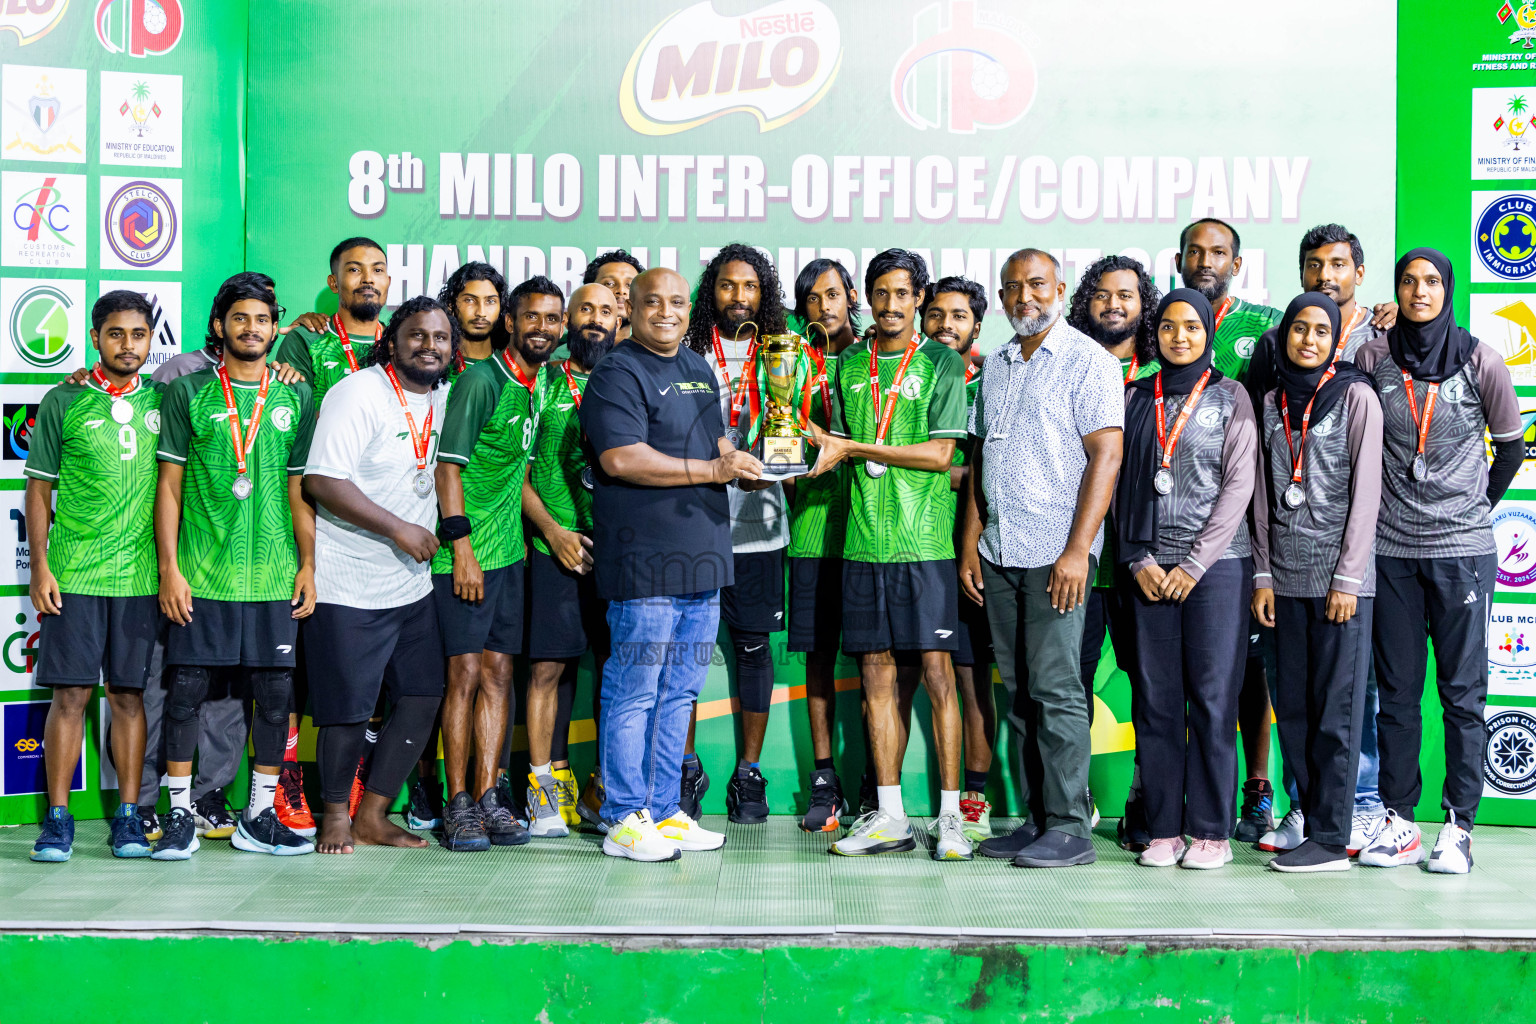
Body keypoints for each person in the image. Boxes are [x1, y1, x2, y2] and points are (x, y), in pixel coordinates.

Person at [128, 275, 319, 845]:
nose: (252, 329)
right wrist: (171, 569)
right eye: (240, 319)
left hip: (273, 575)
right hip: (204, 573)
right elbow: (168, 486)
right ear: (219, 326)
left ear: (275, 326)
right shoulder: (188, 393)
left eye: (262, 320)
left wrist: (307, 564)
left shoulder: (296, 395)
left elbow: (298, 489)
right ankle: (180, 815)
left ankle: (258, 819)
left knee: (274, 699)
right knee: (185, 691)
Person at [581, 267, 760, 861]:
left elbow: (715, 446)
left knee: (680, 691)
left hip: (703, 557)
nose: (666, 312)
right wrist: (713, 472)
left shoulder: (696, 367)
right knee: (634, 690)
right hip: (644, 561)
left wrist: (755, 460)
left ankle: (663, 811)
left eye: (677, 302)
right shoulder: (616, 370)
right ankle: (623, 816)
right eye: (653, 301)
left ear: (690, 309)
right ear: (630, 306)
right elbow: (621, 458)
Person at [1355, 249, 1523, 875]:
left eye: (1430, 282)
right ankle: (1399, 821)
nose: (1419, 292)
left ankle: (1458, 826)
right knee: (1396, 695)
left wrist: (1473, 505)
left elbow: (1509, 448)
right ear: (1396, 289)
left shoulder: (1482, 360)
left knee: (1462, 694)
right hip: (1392, 551)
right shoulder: (1374, 356)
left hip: (1461, 553)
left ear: (1447, 289)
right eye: (1408, 281)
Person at [957, 249, 1123, 869]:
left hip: (1058, 553)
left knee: (1055, 689)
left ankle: (1071, 827)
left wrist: (1079, 550)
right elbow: (983, 458)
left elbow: (1106, 455)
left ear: (1059, 288)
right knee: (1020, 691)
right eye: (1012, 288)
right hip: (1001, 550)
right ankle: (1036, 818)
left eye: (1036, 285)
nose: (1025, 297)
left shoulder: (1090, 362)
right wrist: (972, 541)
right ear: (1001, 298)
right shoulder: (996, 365)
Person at [807, 248, 969, 860]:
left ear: (919, 299)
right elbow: (839, 442)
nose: (892, 305)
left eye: (904, 294)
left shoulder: (942, 363)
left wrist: (853, 448)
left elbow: (939, 456)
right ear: (866, 299)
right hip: (861, 544)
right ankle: (890, 814)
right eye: (881, 293)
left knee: (936, 678)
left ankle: (952, 816)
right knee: (874, 674)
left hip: (924, 544)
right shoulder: (849, 361)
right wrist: (829, 445)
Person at [1245, 224, 1395, 855]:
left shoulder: (1363, 380)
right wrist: (1261, 574)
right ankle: (1308, 811)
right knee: (1297, 706)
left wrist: (1349, 577)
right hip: (1286, 576)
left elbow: (1367, 493)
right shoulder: (1272, 396)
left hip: (1341, 577)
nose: (1325, 274)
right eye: (1314, 265)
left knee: (1347, 705)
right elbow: (1257, 487)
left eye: (1338, 264)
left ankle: (1351, 814)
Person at [303, 294, 455, 855]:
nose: (430, 347)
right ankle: (335, 816)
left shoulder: (444, 398)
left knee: (420, 696)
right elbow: (322, 481)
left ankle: (374, 814)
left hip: (410, 586)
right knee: (346, 710)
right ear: (392, 340)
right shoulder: (358, 393)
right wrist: (398, 529)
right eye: (417, 335)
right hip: (349, 583)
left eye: (440, 337)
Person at [1116, 288, 1257, 870]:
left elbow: (1240, 486)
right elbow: (1114, 478)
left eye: (1192, 328)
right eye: (1170, 327)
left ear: (1207, 334)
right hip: (1147, 568)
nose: (1180, 338)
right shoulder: (1132, 396)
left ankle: (1210, 831)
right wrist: (1137, 558)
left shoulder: (1232, 397)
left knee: (1213, 698)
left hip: (1217, 570)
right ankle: (1163, 829)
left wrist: (1196, 563)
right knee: (1155, 700)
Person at [26, 291, 161, 862]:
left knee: (130, 698)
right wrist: (39, 567)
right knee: (71, 696)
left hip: (141, 578)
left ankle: (128, 819)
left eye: (137, 334)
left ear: (152, 339)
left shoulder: (168, 399)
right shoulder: (63, 400)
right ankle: (58, 821)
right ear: (95, 336)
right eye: (115, 334)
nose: (127, 345)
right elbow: (38, 490)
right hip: (76, 572)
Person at [431, 276, 560, 849]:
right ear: (510, 322)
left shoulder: (539, 382)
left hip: (509, 557)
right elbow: (446, 469)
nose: (543, 328)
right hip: (465, 557)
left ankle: (489, 797)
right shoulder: (481, 382)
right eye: (532, 317)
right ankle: (457, 802)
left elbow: (519, 475)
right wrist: (461, 549)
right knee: (462, 676)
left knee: (500, 675)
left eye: (552, 319)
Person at [1176, 218, 1284, 844]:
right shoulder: (1162, 320)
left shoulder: (1266, 326)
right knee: (1182, 668)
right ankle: (1165, 784)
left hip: (1250, 519)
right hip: (1174, 520)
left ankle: (1258, 790)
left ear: (1236, 264)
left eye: (1218, 252)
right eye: (1196, 250)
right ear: (1181, 259)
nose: (1206, 260)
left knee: (1250, 667)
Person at [681, 244, 794, 824]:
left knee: (752, 652)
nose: (738, 296)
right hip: (691, 528)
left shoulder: (784, 352)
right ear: (711, 293)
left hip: (758, 530)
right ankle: (684, 767)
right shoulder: (686, 351)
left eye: (749, 286)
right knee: (687, 654)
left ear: (763, 294)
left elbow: (799, 428)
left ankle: (749, 774)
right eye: (727, 285)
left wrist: (779, 463)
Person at [1064, 254, 1160, 850]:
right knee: (1067, 685)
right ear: (1085, 303)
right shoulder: (1068, 367)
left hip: (1142, 558)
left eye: (1127, 295)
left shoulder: (1161, 374)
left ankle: (1145, 800)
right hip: (1078, 557)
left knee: (1152, 686)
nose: (1114, 305)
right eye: (1103, 295)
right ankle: (1071, 804)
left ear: (1143, 305)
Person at [522, 283, 619, 834]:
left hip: (616, 552)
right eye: (586, 310)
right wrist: (555, 532)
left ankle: (606, 788)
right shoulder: (542, 383)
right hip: (552, 545)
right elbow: (522, 473)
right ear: (568, 320)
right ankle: (541, 788)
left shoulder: (628, 377)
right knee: (548, 670)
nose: (596, 320)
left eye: (607, 310)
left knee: (616, 673)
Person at [922, 275, 998, 842]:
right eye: (937, 314)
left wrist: (945, 472)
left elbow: (979, 470)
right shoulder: (899, 374)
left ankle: (976, 798)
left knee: (972, 681)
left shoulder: (993, 381)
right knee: (903, 676)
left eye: (959, 316)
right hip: (909, 549)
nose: (946, 325)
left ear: (977, 325)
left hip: (972, 553)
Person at [786, 257, 859, 832]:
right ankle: (824, 778)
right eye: (812, 298)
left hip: (870, 533)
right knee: (817, 660)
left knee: (875, 660)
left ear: (851, 295)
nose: (823, 306)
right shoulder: (786, 364)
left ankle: (872, 779)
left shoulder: (874, 359)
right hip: (811, 529)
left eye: (832, 294)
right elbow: (776, 436)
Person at [272, 237, 391, 407]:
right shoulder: (305, 340)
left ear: (388, 282)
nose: (368, 279)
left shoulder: (401, 344)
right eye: (355, 269)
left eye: (378, 270)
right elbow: (295, 416)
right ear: (334, 283)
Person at [439, 259, 507, 376]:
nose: (481, 312)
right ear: (451, 306)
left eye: (490, 301)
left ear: (501, 306)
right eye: (470, 300)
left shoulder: (512, 367)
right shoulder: (436, 367)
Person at [584, 249, 644, 341]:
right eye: (609, 284)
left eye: (630, 285)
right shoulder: (562, 354)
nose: (621, 290)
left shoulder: (654, 352)